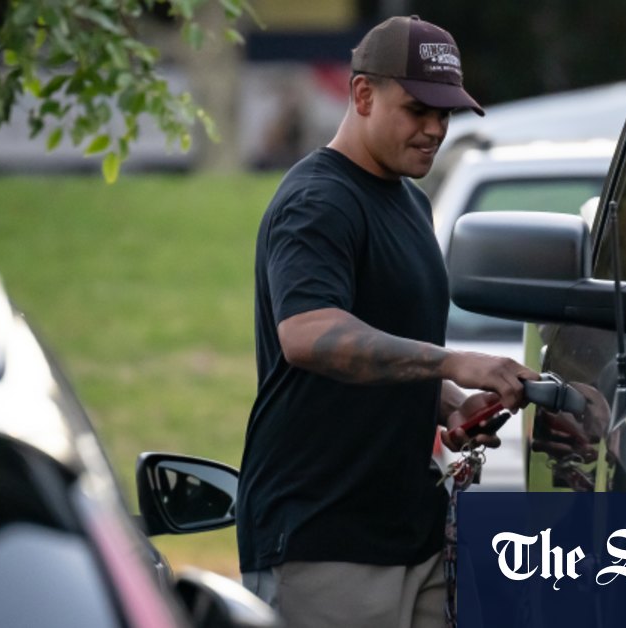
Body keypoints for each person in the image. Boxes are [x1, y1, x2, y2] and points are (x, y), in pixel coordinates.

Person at [235, 15, 537, 627]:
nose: (434, 130)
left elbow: (387, 348)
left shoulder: (409, 202)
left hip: (411, 535)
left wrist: (447, 401)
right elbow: (309, 334)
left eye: (445, 114)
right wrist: (453, 361)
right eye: (417, 109)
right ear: (363, 94)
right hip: (324, 541)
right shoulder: (317, 201)